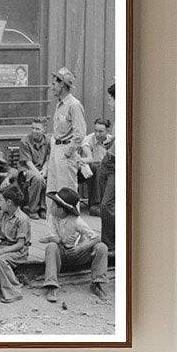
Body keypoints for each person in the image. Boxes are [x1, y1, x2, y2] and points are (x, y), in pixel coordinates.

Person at [42, 187, 108, 303]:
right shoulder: (52, 218)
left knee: (102, 247)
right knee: (51, 246)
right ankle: (52, 285)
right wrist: (62, 241)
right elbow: (53, 238)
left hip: (78, 254)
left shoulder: (76, 221)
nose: (50, 207)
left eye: (53, 205)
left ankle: (97, 283)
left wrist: (80, 247)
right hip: (62, 253)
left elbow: (96, 237)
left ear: (61, 210)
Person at [0, 183, 32, 304]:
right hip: (4, 246)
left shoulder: (22, 219)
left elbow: (20, 244)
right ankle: (9, 282)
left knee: (0, 260)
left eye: (1, 200)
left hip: (18, 250)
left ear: (9, 202)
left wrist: (2, 251)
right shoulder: (2, 214)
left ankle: (14, 291)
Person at [45, 67, 87, 193]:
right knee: (52, 189)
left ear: (62, 84)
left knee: (67, 191)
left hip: (65, 151)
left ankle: (72, 214)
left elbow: (80, 133)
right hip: (56, 150)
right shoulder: (59, 104)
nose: (52, 87)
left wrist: (68, 152)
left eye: (54, 83)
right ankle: (52, 214)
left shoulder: (74, 105)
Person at [97, 83, 117, 251]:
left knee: (106, 204)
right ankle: (107, 241)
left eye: (111, 99)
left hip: (116, 165)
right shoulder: (118, 118)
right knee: (106, 204)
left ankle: (109, 245)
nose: (109, 103)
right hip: (107, 161)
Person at [80, 118, 113, 214]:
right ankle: (95, 205)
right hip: (87, 170)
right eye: (96, 131)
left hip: (108, 169)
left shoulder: (112, 141)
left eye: (101, 131)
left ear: (108, 131)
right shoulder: (88, 140)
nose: (97, 134)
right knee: (96, 168)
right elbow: (89, 159)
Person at [18, 119, 49, 218]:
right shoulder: (25, 141)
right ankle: (33, 209)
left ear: (44, 130)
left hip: (42, 168)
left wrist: (44, 170)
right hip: (27, 170)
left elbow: (48, 158)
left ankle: (43, 208)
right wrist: (39, 174)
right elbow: (28, 162)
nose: (34, 131)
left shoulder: (48, 141)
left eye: (38, 129)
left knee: (52, 176)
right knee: (38, 179)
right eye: (33, 128)